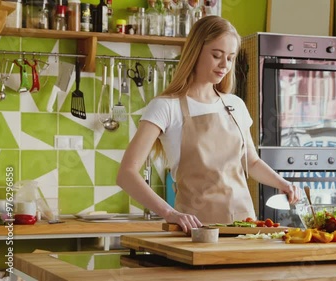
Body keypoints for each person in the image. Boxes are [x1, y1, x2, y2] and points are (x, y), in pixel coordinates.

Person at [116, 15, 301, 233]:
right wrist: (170, 213)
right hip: (197, 232)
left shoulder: (235, 105)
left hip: (245, 228)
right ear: (195, 52)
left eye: (231, 58)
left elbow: (251, 162)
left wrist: (284, 184)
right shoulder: (166, 107)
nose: (225, 65)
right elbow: (126, 174)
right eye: (217, 55)